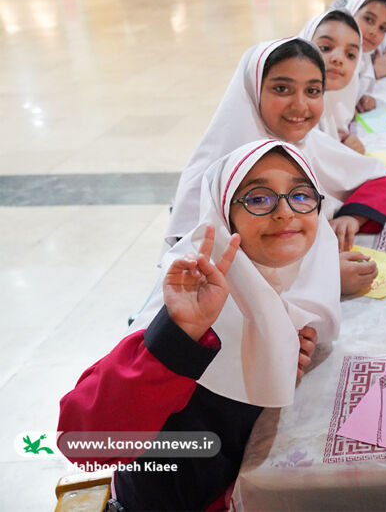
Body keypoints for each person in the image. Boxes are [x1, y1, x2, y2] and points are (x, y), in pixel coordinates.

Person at [59, 140, 343, 510]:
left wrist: (281, 356)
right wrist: (177, 335)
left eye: (301, 195)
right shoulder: (191, 300)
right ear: (224, 214)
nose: (286, 212)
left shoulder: (295, 297)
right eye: (258, 198)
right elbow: (83, 441)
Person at [164, 37, 386, 294]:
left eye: (312, 91)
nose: (299, 105)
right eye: (282, 89)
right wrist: (324, 278)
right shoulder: (221, 166)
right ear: (254, 90)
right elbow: (200, 278)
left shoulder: (309, 143)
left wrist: (353, 218)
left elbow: (381, 178)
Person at [300, 9, 367, 152]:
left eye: (350, 55)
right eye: (325, 48)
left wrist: (343, 140)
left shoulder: (333, 101)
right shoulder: (295, 114)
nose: (338, 59)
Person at [344, 0, 386, 110]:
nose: (373, 32)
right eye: (368, 19)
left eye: (382, 28)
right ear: (350, 15)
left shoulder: (364, 58)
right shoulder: (330, 59)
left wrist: (362, 98)